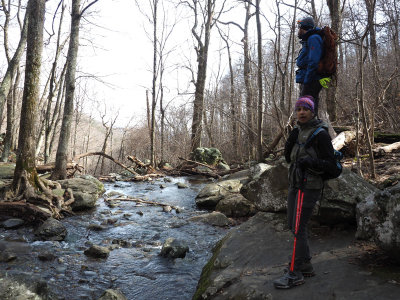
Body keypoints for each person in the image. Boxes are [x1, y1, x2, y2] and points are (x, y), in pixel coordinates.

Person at [273, 95, 337, 289]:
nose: (301, 112)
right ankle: (306, 263)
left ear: (312, 112)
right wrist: (289, 143)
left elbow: (332, 166)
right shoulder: (297, 131)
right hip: (295, 184)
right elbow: (288, 158)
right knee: (293, 226)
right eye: (299, 109)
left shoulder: (321, 134)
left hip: (309, 187)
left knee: (299, 228)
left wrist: (311, 162)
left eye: (305, 109)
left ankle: (295, 272)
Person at [296, 17, 324, 117]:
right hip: (309, 79)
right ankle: (311, 128)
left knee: (306, 107)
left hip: (312, 80)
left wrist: (307, 81)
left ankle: (313, 129)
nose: (298, 31)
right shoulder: (309, 39)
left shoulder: (313, 38)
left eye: (299, 28)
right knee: (309, 105)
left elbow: (313, 62)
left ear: (304, 28)